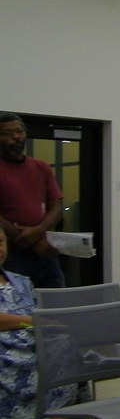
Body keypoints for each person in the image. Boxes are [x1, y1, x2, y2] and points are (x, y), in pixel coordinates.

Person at [0, 231, 80, 419]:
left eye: (0, 242)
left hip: (33, 341)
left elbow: (38, 316)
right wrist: (34, 322)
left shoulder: (21, 281)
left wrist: (47, 325)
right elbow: (32, 320)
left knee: (64, 343)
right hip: (5, 347)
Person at [0, 113, 65, 288]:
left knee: (55, 307)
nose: (16, 136)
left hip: (46, 250)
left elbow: (56, 205)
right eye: (7, 133)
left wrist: (39, 231)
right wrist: (29, 241)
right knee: (19, 307)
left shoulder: (40, 167)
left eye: (19, 131)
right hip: (12, 253)